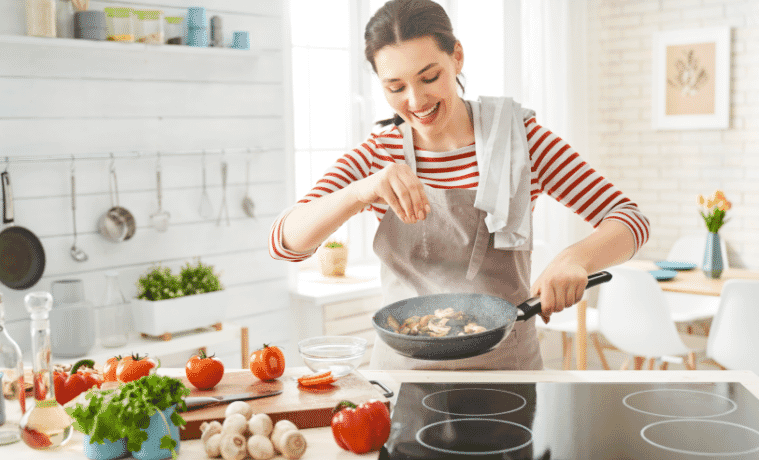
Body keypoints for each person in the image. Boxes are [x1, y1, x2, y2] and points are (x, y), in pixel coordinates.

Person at [269, 0, 650, 370]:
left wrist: (575, 258)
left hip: (506, 369)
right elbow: (284, 243)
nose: (415, 100)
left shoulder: (521, 141)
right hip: (403, 374)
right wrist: (361, 191)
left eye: (429, 77)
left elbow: (631, 220)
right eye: (395, 86)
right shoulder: (378, 155)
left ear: (457, 57)